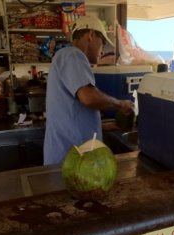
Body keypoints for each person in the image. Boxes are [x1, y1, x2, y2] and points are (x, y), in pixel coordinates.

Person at [43, 15, 134, 165]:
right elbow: (90, 98)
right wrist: (121, 104)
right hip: (70, 159)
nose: (102, 50)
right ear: (91, 35)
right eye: (102, 43)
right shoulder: (73, 54)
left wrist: (105, 127)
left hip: (70, 157)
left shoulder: (66, 57)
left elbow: (72, 119)